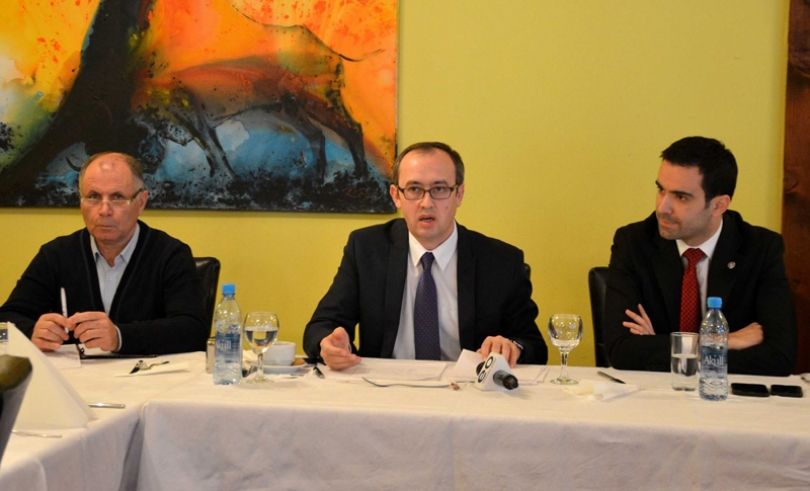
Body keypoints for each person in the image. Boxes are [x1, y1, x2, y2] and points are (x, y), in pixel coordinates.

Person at [304, 141, 547, 370]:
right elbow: (321, 326)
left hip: (469, 390)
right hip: (387, 389)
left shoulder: (500, 261)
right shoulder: (367, 249)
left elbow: (534, 345)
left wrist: (512, 346)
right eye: (414, 189)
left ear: (459, 194)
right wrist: (328, 343)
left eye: (439, 189)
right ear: (396, 195)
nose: (426, 203)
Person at [604, 136, 796, 375]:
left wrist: (660, 346)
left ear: (718, 206)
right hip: (655, 392)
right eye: (661, 190)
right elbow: (622, 351)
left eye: (681, 197)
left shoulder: (761, 248)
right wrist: (722, 341)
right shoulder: (634, 242)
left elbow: (779, 357)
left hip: (725, 394)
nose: (663, 207)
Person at [0, 152, 208, 355]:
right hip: (72, 376)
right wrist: (32, 332)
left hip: (147, 376)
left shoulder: (171, 254)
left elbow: (193, 330)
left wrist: (119, 337)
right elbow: (6, 319)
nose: (104, 210)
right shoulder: (55, 255)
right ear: (81, 201)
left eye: (117, 197)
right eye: (93, 197)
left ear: (141, 202)